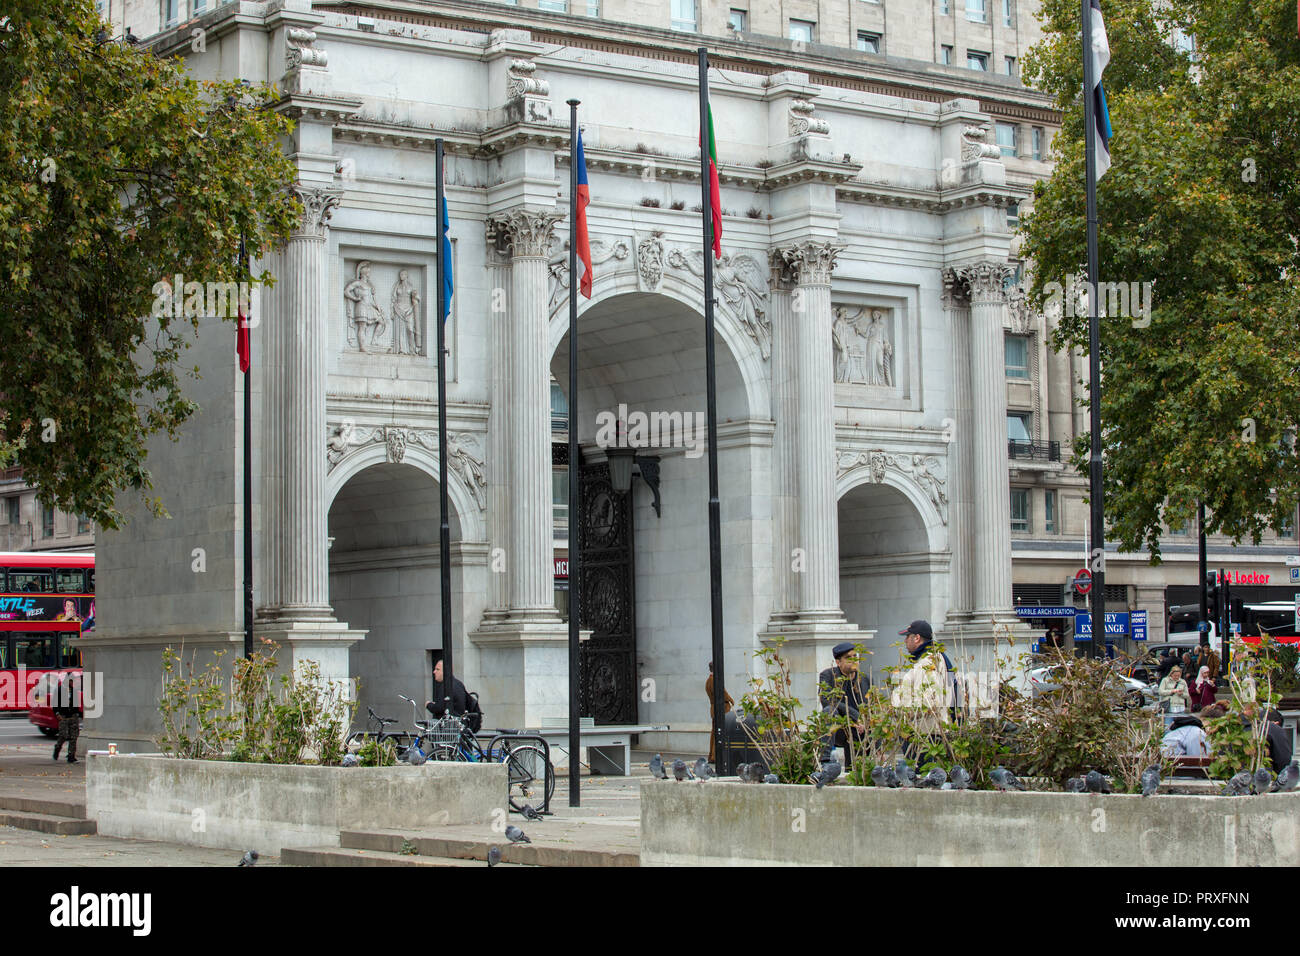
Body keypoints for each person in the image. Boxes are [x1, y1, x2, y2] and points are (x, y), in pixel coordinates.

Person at [890, 620, 955, 741]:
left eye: (907, 637)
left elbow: (927, 701)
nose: (905, 641)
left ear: (917, 638)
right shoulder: (931, 658)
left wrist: (898, 707)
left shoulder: (927, 662)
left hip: (925, 733)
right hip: (927, 731)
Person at [818, 643, 871, 768]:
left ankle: (855, 770)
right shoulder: (828, 676)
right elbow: (827, 700)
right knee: (829, 711)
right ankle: (825, 761)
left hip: (860, 730)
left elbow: (872, 707)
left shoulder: (865, 679)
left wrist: (863, 720)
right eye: (848, 657)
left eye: (855, 656)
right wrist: (854, 716)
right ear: (838, 662)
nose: (854, 660)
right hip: (838, 728)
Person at [426, 658, 480, 731]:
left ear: (445, 671)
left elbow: (439, 708)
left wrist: (429, 705)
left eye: (437, 669)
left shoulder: (446, 686)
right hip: (459, 725)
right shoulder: (458, 684)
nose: (434, 671)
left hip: (450, 728)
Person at [704, 661, 735, 763]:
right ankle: (714, 756)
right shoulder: (714, 680)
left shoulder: (709, 680)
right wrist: (731, 700)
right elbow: (722, 692)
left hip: (715, 708)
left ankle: (712, 755)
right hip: (720, 708)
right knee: (719, 731)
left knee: (715, 732)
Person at [52, 673, 81, 764]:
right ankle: (57, 748)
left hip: (72, 716)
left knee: (73, 736)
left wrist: (77, 714)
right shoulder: (59, 690)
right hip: (63, 716)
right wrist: (57, 714)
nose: (73, 683)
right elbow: (55, 704)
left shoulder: (74, 691)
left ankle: (71, 755)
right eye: (72, 681)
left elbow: (76, 703)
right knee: (63, 735)